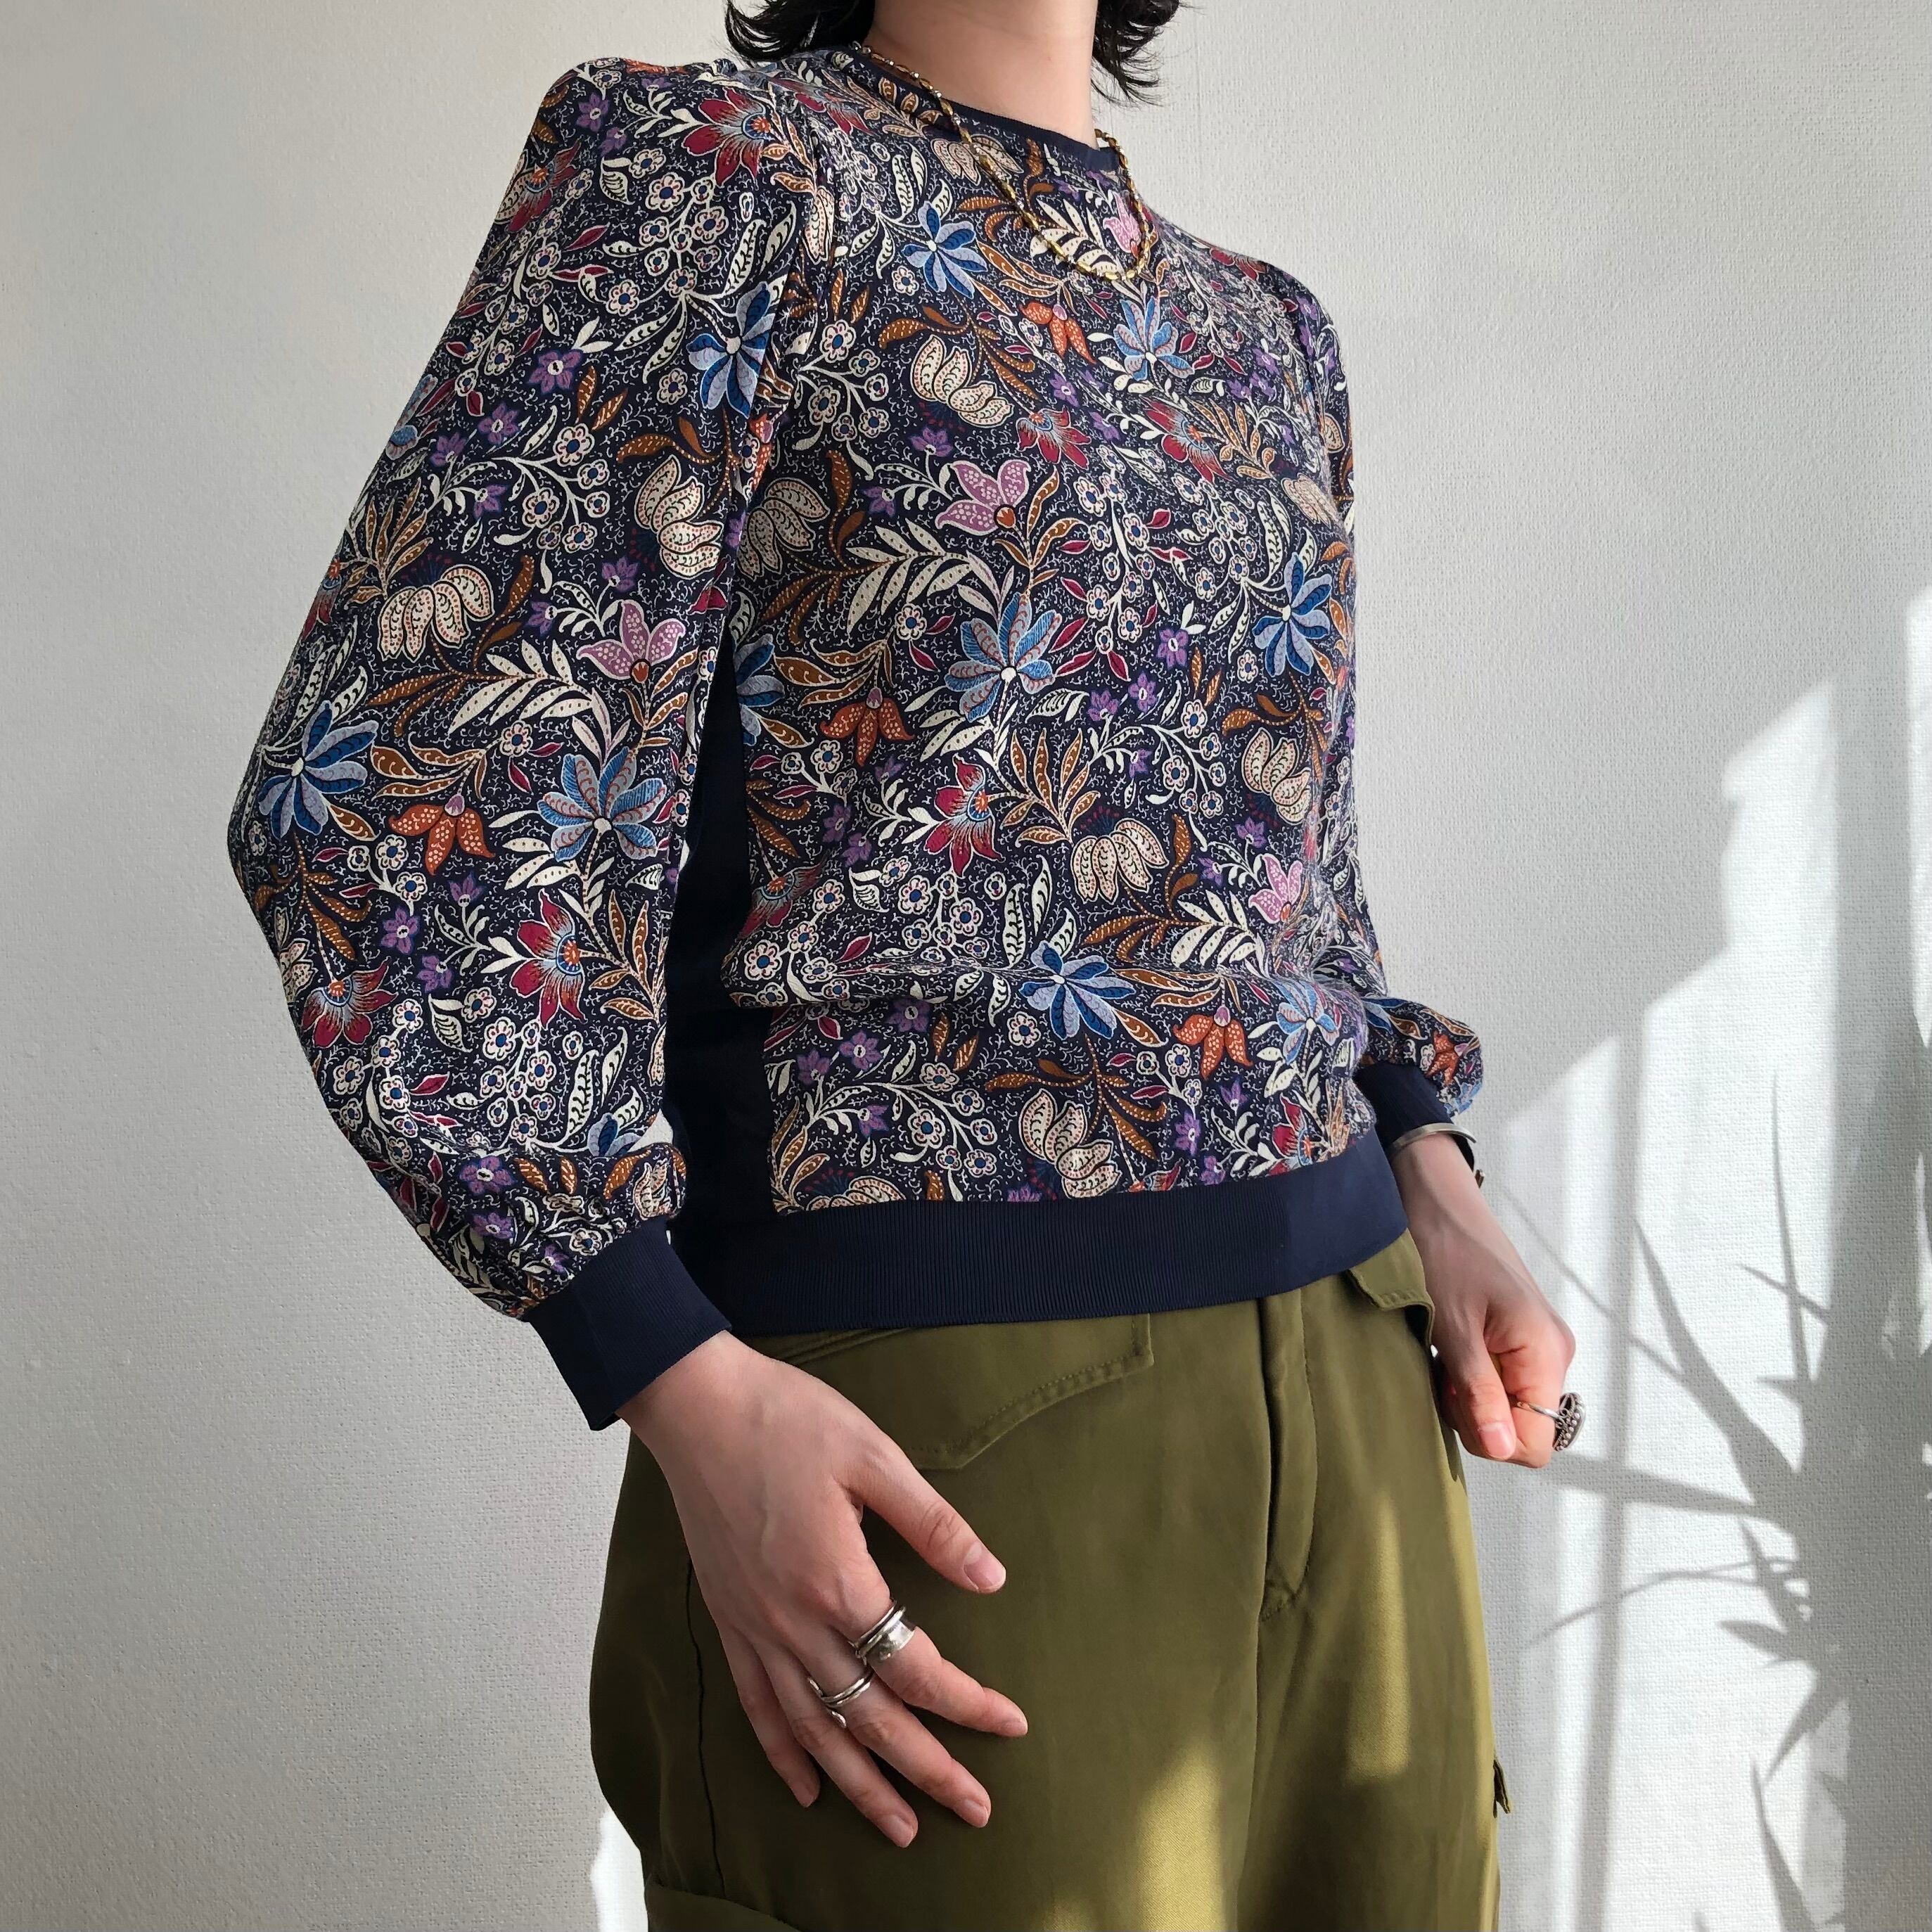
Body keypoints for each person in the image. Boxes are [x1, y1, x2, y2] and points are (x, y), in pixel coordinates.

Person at [226, 1, 1580, 1924]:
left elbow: (1287, 866)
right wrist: (673, 1372)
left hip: (1363, 1392)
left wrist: (1431, 1171)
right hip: (949, 1427)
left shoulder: (1261, 332)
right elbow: (391, 789)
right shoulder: (710, 177)